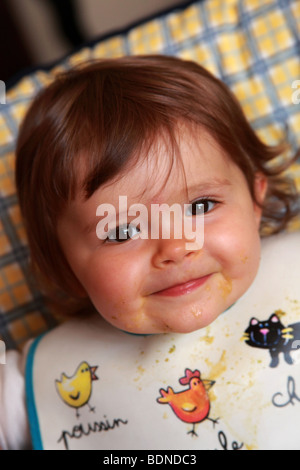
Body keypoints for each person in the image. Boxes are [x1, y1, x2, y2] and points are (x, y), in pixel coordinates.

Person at [1, 55, 299, 450]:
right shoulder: (31, 385)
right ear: (63, 266)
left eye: (200, 206)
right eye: (123, 230)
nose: (176, 247)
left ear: (256, 197)